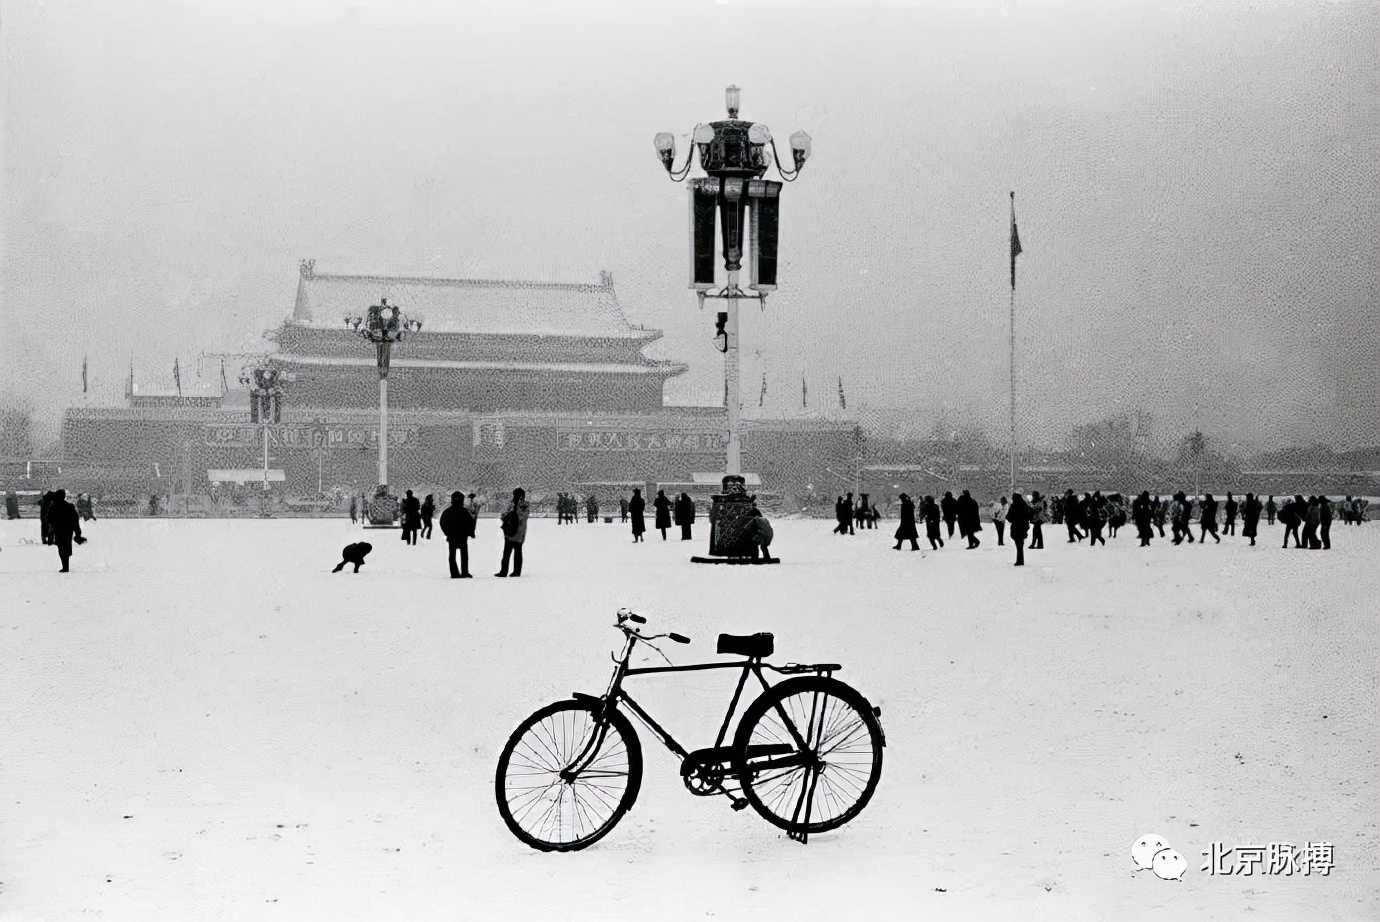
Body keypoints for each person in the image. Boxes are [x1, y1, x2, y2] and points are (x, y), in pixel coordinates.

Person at [47, 489, 86, 572]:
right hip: (68, 530)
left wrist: (50, 534)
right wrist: (77, 533)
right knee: (66, 547)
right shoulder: (69, 507)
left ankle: (65, 567)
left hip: (58, 530)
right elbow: (75, 520)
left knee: (61, 548)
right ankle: (66, 565)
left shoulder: (54, 506)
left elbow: (50, 519)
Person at [439, 491, 475, 578]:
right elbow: (471, 522)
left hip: (454, 536)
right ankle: (464, 572)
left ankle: (456, 573)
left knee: (453, 555)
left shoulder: (448, 512)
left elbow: (442, 523)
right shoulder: (464, 511)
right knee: (463, 555)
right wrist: (470, 532)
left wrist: (447, 533)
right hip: (460, 536)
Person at [495, 487, 530, 577]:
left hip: (518, 532)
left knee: (517, 552)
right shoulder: (512, 504)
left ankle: (516, 571)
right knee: (506, 553)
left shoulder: (524, 505)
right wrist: (505, 517)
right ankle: (504, 571)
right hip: (510, 531)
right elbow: (505, 514)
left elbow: (523, 517)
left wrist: (513, 514)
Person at [1006, 492, 1031, 567]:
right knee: (1020, 543)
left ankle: (1019, 560)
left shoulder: (1013, 506)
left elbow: (1009, 516)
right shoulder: (1024, 505)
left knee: (1018, 544)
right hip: (1023, 526)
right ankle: (1020, 559)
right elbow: (1029, 515)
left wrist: (1013, 520)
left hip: (1016, 526)